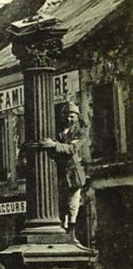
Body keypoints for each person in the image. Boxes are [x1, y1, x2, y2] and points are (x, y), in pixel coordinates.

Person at [41, 102, 88, 244]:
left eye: (72, 116)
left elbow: (72, 149)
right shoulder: (59, 132)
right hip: (60, 174)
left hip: (74, 174)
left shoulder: (80, 132)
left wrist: (54, 145)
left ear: (77, 117)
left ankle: (71, 233)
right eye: (67, 116)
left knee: (73, 204)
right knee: (61, 204)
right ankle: (63, 230)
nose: (69, 119)